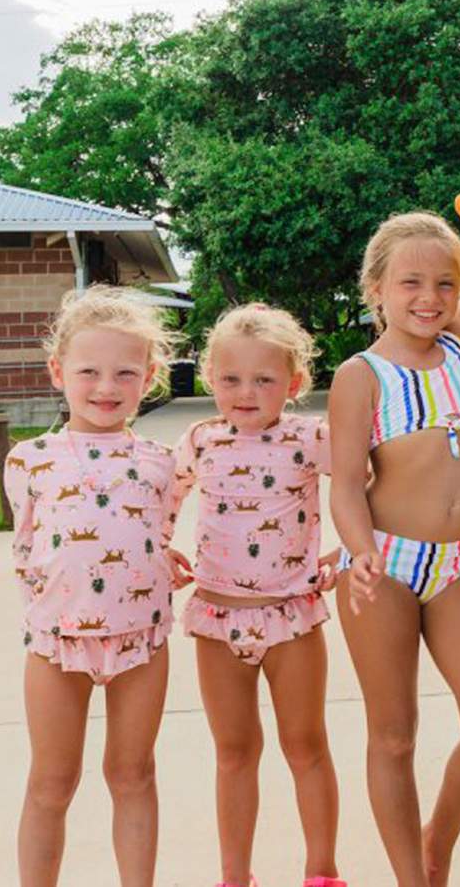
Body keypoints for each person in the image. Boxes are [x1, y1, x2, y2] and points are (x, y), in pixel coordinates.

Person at [328, 174, 460, 887]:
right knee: (394, 735)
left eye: (443, 284)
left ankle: (436, 840)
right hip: (382, 567)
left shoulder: (459, 346)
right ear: (376, 289)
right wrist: (358, 552)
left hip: (455, 566)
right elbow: (346, 483)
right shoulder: (362, 377)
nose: (430, 298)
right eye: (410, 283)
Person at [8, 285, 191, 886]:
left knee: (133, 775)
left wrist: (164, 560)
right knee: (51, 783)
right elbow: (30, 544)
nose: (106, 387)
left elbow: (153, 533)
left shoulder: (163, 462)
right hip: (57, 645)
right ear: (59, 371)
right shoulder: (28, 459)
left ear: (150, 377)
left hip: (141, 643)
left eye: (124, 372)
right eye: (89, 371)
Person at [174, 303, 344, 887]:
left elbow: (368, 486)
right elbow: (159, 503)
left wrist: (348, 552)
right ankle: (235, 876)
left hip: (292, 617)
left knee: (305, 745)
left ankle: (321, 871)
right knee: (234, 752)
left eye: (264, 380)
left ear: (293, 384)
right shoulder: (200, 441)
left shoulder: (311, 438)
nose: (245, 393)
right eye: (230, 379)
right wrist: (157, 550)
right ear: (210, 378)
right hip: (218, 618)